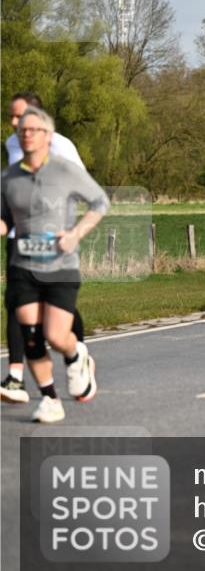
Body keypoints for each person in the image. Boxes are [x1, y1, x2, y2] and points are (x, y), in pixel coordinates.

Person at [0, 107, 108, 422]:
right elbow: (5, 220)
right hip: (23, 260)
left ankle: (76, 355)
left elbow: (99, 201)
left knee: (56, 334)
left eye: (33, 129)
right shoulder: (9, 175)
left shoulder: (65, 168)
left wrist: (75, 232)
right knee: (30, 332)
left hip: (60, 261)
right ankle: (49, 398)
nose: (25, 133)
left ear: (48, 136)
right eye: (22, 129)